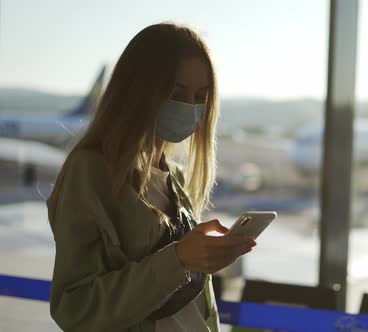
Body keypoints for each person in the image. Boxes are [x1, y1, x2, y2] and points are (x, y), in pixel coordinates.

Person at [46, 23, 256, 332]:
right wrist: (179, 260)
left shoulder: (174, 177)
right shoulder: (92, 171)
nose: (191, 107)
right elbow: (74, 309)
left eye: (201, 96)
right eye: (176, 93)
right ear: (138, 90)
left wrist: (204, 258)